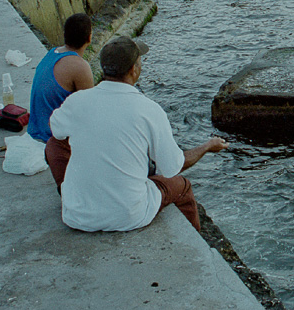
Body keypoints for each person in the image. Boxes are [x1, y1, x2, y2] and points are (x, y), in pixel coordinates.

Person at [49, 37, 228, 232]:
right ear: (133, 70)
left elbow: (56, 131)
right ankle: (196, 255)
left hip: (76, 215)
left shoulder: (77, 101)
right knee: (182, 186)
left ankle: (71, 192)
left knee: (53, 144)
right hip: (127, 216)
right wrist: (208, 146)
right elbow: (172, 168)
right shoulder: (149, 110)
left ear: (103, 69)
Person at [29, 14, 96, 190]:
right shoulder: (79, 66)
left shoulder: (53, 53)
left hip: (36, 128)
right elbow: (90, 112)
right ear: (89, 38)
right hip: (50, 137)